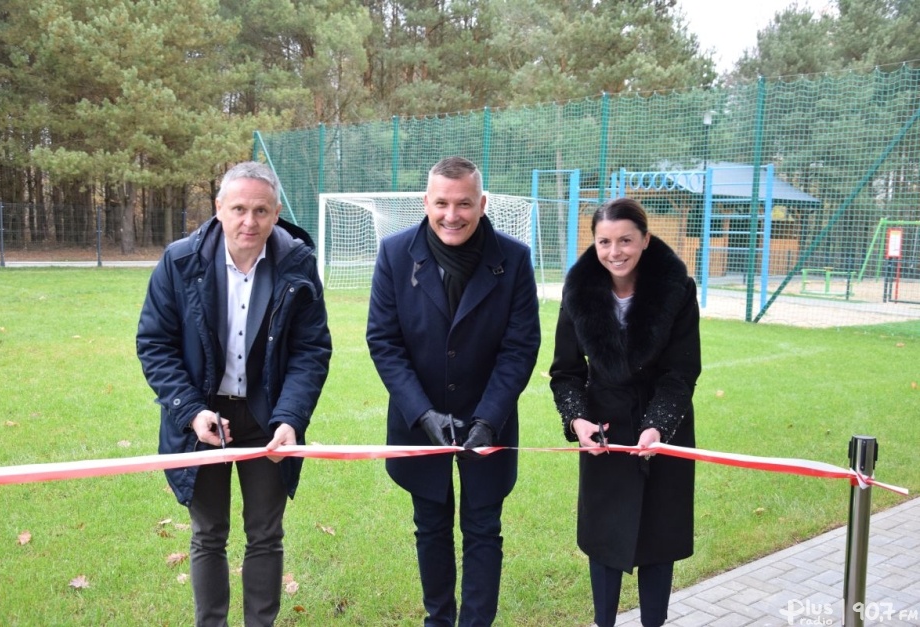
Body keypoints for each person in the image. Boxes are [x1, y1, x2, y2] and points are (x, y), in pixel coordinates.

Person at [136, 161, 332, 626]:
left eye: (261, 210)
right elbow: (155, 343)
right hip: (203, 418)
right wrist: (190, 412)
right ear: (218, 208)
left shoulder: (298, 263)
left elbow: (311, 350)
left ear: (276, 211)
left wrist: (291, 418)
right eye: (239, 208)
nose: (250, 221)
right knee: (208, 534)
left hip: (268, 419)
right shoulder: (179, 260)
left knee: (265, 534)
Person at [366, 156, 541, 626]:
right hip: (418, 421)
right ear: (426, 202)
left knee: (484, 529)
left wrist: (488, 420)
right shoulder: (394, 254)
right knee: (430, 528)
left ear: (482, 204)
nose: (452, 215)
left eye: (464, 203)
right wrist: (421, 415)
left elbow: (520, 348)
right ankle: (438, 620)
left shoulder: (514, 258)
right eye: (441, 203)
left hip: (490, 420)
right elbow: (383, 342)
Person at [549, 197, 701, 627]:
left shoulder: (677, 289)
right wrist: (578, 420)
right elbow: (565, 373)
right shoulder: (578, 291)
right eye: (604, 242)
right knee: (605, 540)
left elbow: (681, 371)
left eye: (626, 240)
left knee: (659, 537)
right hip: (604, 432)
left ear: (646, 240)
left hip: (664, 427)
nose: (615, 251)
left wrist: (658, 427)